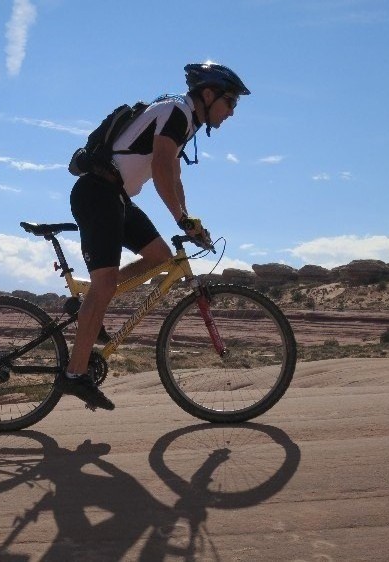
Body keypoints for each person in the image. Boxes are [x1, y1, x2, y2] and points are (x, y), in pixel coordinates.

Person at [56, 62, 251, 410]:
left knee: (162, 259)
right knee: (104, 284)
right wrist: (179, 218)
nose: (232, 112)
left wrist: (189, 221)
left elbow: (173, 174)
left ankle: (88, 306)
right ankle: (74, 375)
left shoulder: (184, 118)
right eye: (230, 102)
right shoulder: (177, 110)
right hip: (97, 193)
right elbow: (160, 167)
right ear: (208, 94)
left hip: (116, 197)